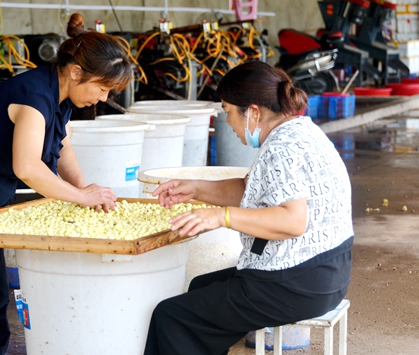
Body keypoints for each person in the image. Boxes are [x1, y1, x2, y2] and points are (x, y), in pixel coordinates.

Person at [0, 13, 132, 355]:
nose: (103, 99)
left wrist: (86, 189)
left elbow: (61, 147)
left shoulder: (59, 97)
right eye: (102, 88)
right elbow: (28, 167)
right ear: (77, 72)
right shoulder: (34, 95)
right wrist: (79, 197)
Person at [143, 61, 354, 355]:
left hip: (295, 283)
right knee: (200, 288)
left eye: (228, 111)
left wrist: (220, 217)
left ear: (253, 111)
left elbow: (292, 221)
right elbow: (248, 189)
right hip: (329, 271)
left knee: (171, 316)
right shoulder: (299, 132)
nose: (227, 122)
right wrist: (194, 188)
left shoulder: (282, 148)